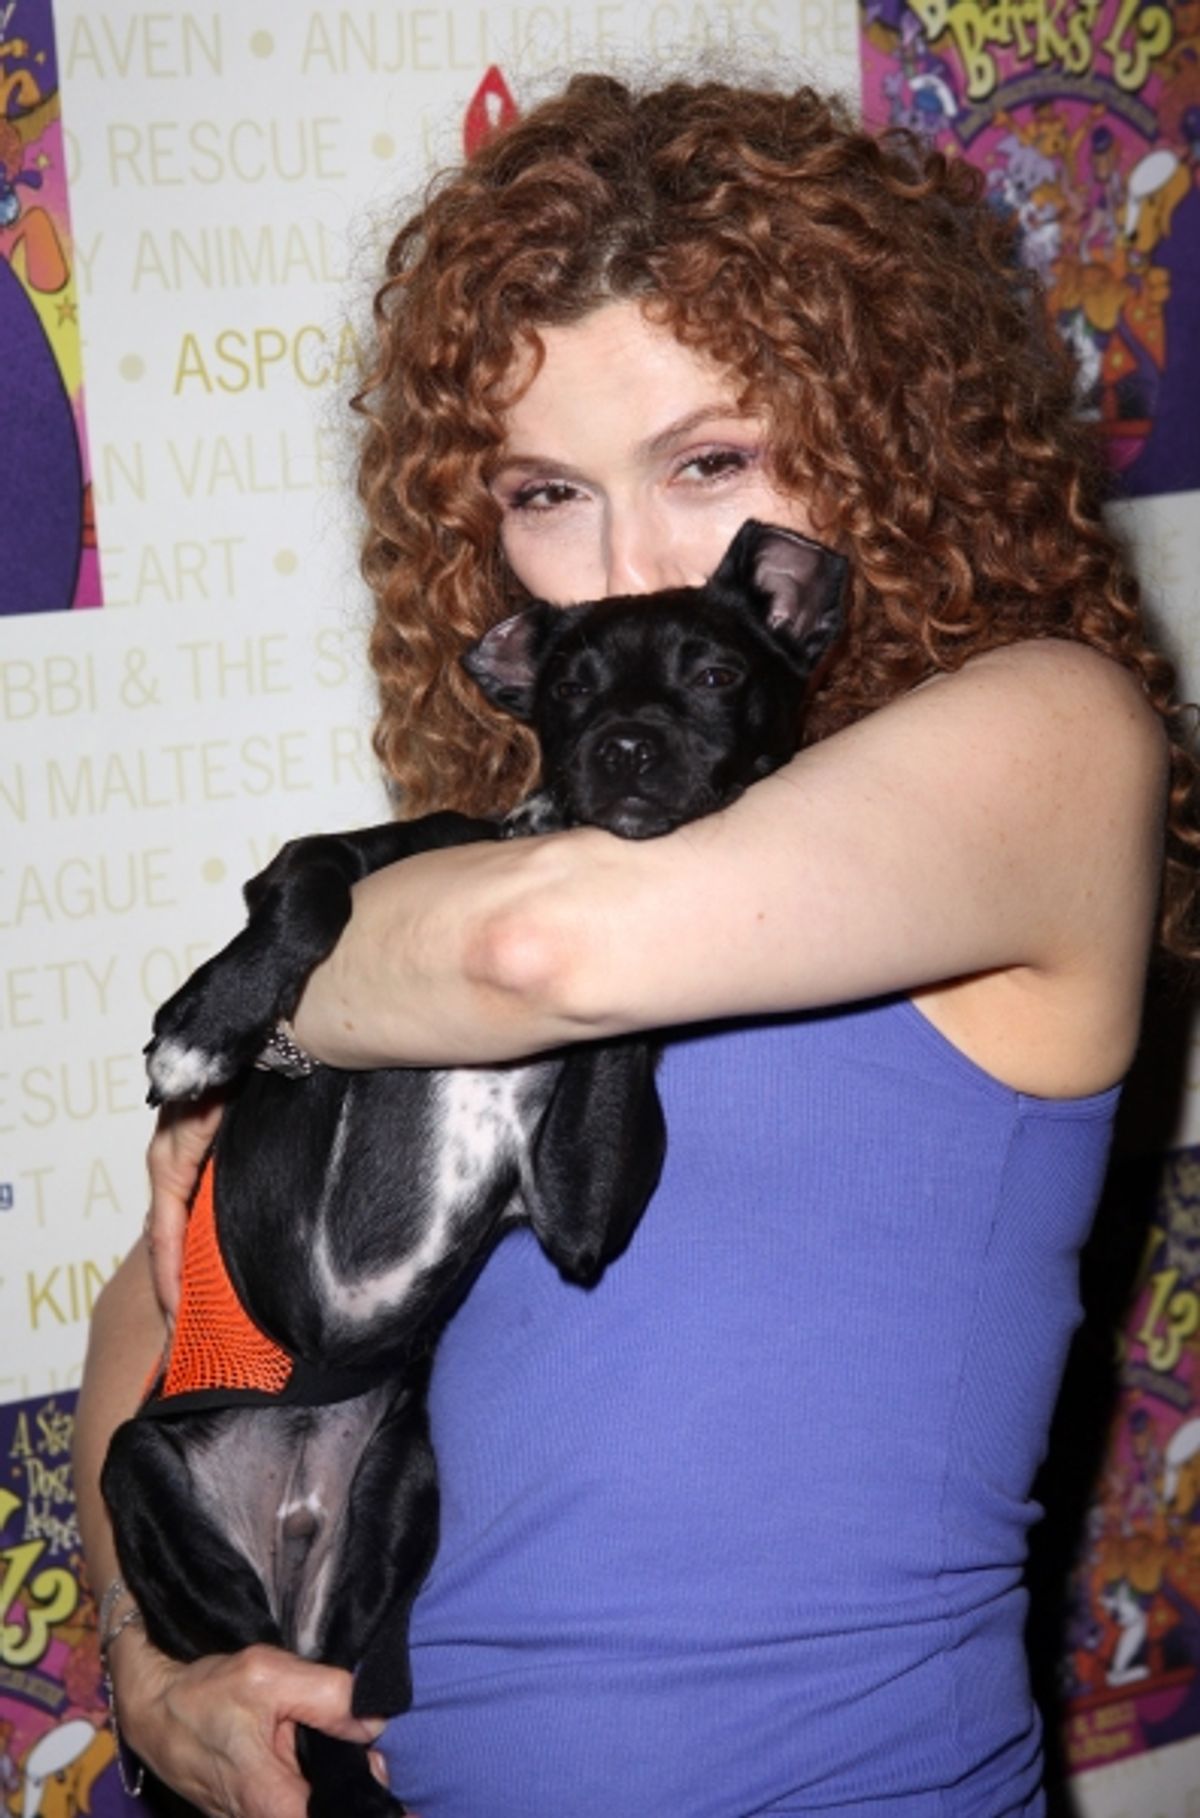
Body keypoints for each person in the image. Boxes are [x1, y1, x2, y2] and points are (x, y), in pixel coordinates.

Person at [74, 72, 1197, 1818]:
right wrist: (149, 1676)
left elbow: (542, 953)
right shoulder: (487, 873)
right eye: (545, 494)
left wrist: (273, 1002)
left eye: (708, 461)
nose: (618, 572)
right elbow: (153, 1299)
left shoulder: (1052, 735)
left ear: (883, 437)